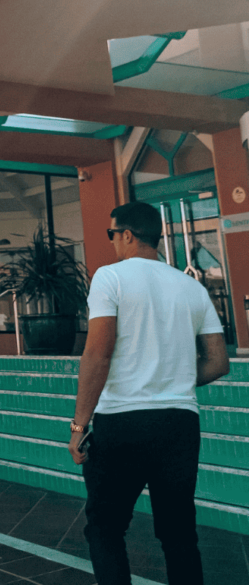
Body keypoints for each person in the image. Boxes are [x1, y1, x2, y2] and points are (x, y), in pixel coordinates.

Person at [68, 201, 229, 585]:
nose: (112, 242)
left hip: (122, 422)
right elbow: (219, 362)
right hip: (179, 423)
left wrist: (79, 426)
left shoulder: (111, 278)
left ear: (126, 234)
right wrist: (173, 381)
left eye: (111, 234)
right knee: (178, 534)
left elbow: (98, 352)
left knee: (105, 529)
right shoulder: (191, 287)